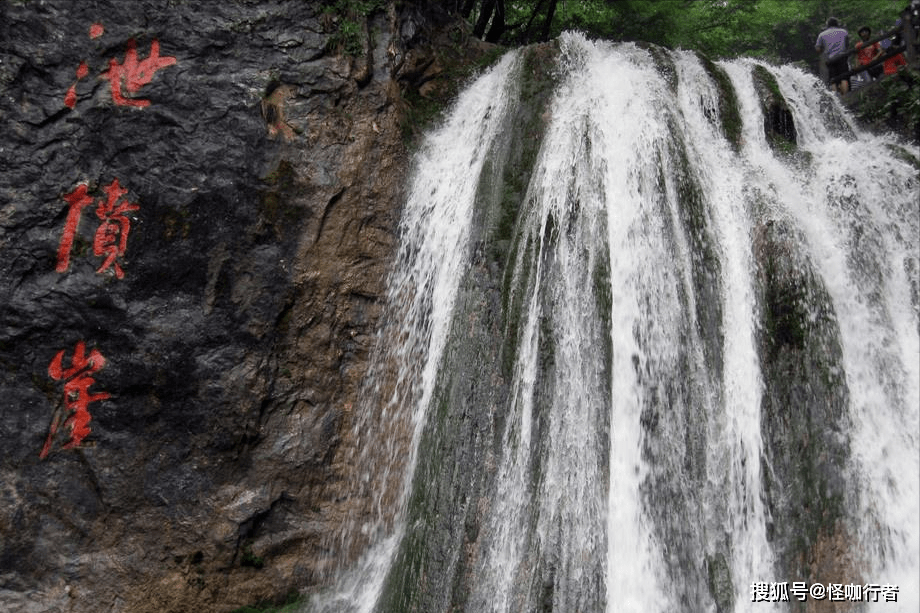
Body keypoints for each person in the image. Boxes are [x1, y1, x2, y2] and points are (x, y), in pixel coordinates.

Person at [816, 17, 851, 94]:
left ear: (827, 25)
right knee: (844, 77)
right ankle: (846, 95)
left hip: (830, 59)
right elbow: (847, 45)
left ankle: (837, 98)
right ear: (837, 24)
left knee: (833, 79)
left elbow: (818, 49)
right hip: (842, 57)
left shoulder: (821, 35)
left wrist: (824, 51)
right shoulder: (844, 32)